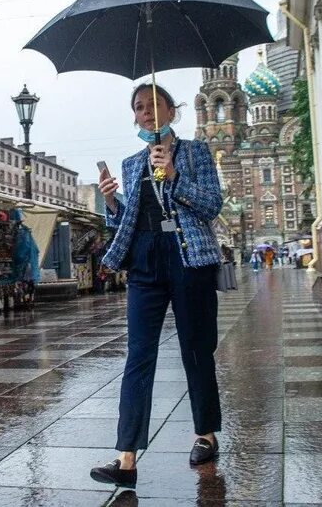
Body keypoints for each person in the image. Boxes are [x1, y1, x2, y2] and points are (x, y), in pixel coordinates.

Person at [89, 83, 223, 490]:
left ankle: (205, 433)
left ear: (172, 110)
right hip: (145, 260)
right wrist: (112, 203)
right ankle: (126, 458)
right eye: (139, 107)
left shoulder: (196, 152)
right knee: (138, 355)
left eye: (154, 105)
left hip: (188, 259)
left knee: (196, 350)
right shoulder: (131, 163)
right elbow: (130, 220)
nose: (147, 112)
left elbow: (212, 205)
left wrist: (176, 175)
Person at [10, 209, 40, 300]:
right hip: (27, 265)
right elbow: (35, 250)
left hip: (24, 265)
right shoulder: (25, 234)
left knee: (25, 281)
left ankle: (26, 298)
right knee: (27, 282)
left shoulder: (22, 235)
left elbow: (21, 252)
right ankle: (28, 298)